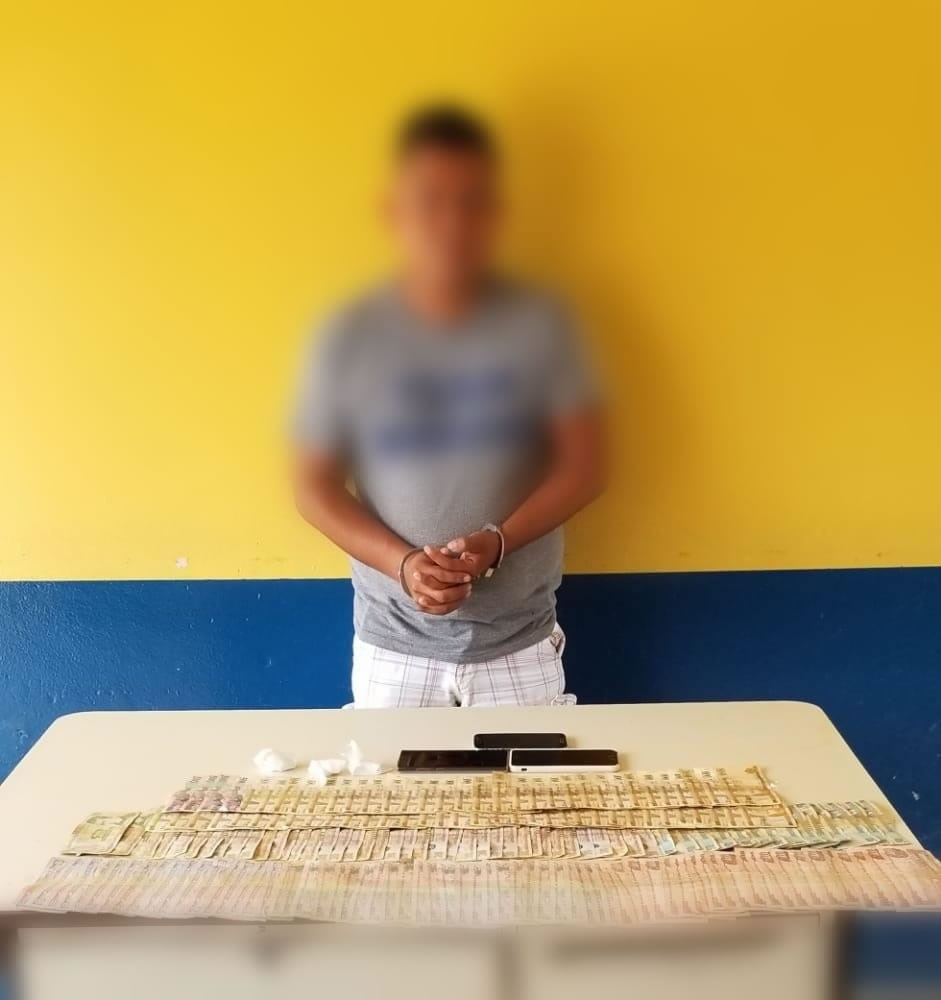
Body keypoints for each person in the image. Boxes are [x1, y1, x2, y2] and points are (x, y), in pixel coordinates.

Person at [292, 104, 605, 708]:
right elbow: (312, 485)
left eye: (471, 202)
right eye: (431, 201)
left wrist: (497, 542)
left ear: (495, 215)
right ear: (395, 211)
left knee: (532, 780)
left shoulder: (544, 327)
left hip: (519, 646)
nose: (452, 222)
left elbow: (585, 466)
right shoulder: (351, 334)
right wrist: (405, 564)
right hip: (392, 650)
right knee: (386, 779)